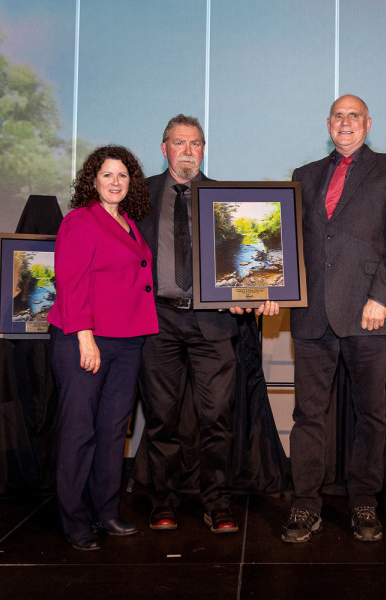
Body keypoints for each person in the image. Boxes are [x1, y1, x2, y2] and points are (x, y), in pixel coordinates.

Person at [281, 95, 386, 543]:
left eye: (354, 116)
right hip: (311, 315)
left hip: (369, 313)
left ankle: (364, 501)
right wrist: (268, 289)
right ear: (328, 124)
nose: (346, 123)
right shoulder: (304, 176)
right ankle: (305, 505)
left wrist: (382, 296)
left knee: (371, 415)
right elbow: (291, 243)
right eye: (338, 116)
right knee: (306, 415)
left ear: (368, 123)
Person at [138, 114, 277, 535]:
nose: (188, 151)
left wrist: (261, 292)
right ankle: (163, 502)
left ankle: (217, 502)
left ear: (203, 149)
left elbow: (250, 262)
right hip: (156, 320)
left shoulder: (226, 201)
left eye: (195, 143)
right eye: (179, 143)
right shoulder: (140, 195)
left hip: (213, 323)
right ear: (164, 149)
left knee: (216, 418)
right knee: (161, 418)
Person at [48, 145, 158, 550]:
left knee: (113, 431)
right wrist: (84, 336)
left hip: (128, 341)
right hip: (85, 340)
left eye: (123, 175)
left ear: (132, 183)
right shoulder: (79, 221)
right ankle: (75, 520)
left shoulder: (129, 222)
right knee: (79, 431)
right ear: (92, 180)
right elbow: (71, 283)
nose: (116, 182)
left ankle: (106, 511)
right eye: (108, 174)